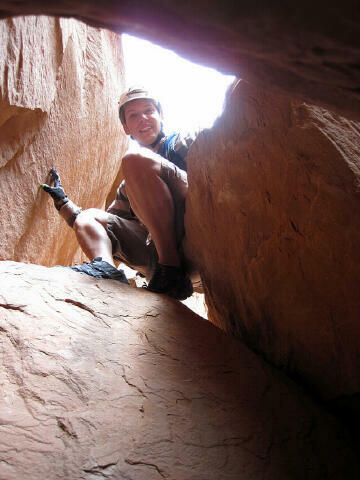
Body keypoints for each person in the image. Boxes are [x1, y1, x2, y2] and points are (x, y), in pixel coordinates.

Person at [42, 86, 195, 300]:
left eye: (149, 111)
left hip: (194, 228)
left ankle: (170, 271)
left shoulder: (185, 142)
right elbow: (111, 225)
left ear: (161, 116)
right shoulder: (130, 184)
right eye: (133, 115)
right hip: (155, 253)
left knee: (134, 160)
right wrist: (64, 205)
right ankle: (106, 271)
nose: (143, 118)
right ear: (126, 128)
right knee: (89, 217)